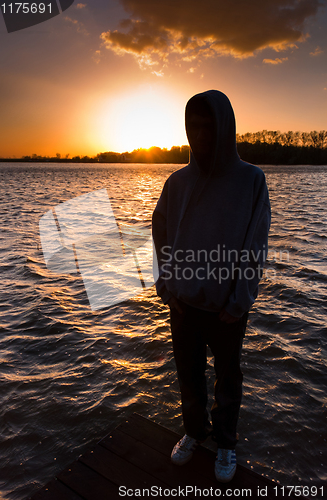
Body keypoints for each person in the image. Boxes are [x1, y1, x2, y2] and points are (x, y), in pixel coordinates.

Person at [152, 90, 271, 483]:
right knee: (188, 374)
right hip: (184, 305)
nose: (202, 134)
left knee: (228, 379)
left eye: (210, 125)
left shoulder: (251, 180)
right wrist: (168, 289)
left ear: (226, 127)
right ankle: (193, 432)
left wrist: (238, 302)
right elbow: (160, 233)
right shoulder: (177, 181)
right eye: (195, 126)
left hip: (226, 309)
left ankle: (225, 443)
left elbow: (255, 244)